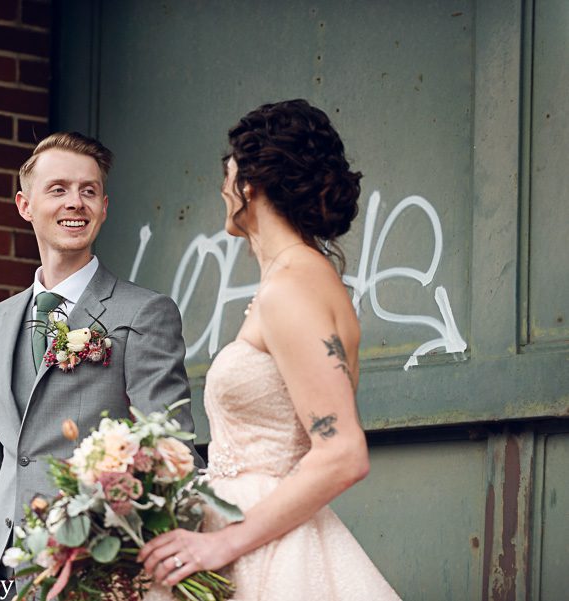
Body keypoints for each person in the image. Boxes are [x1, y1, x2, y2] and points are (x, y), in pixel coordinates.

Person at [138, 100, 401, 600]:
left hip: (266, 554)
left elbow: (343, 452)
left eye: (229, 169)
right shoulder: (300, 279)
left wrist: (226, 544)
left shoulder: (292, 288)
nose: (222, 185)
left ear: (249, 185)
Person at [0, 132, 200, 601]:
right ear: (24, 205)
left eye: (89, 191)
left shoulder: (144, 312)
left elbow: (172, 454)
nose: (76, 203)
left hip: (94, 570)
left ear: (105, 206)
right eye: (59, 189)